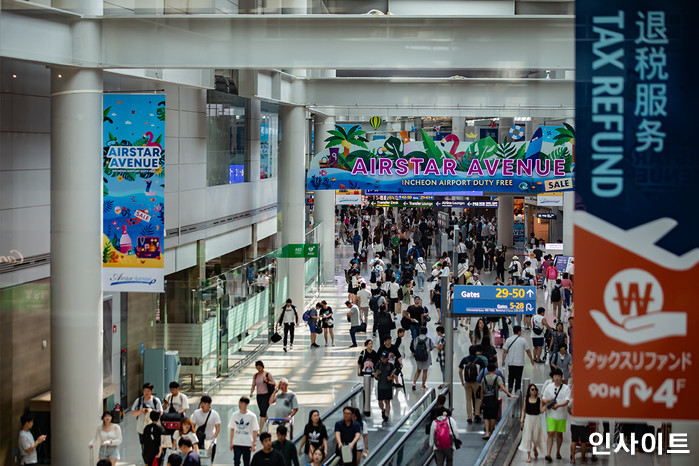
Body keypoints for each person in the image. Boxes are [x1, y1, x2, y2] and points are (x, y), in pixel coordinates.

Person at [542, 368, 571, 463]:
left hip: (561, 415)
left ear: (562, 378)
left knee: (559, 434)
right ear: (553, 378)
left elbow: (567, 401)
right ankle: (548, 454)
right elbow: (543, 398)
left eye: (558, 376)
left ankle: (558, 451)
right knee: (550, 433)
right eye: (555, 376)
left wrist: (558, 405)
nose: (557, 378)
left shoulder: (566, 388)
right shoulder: (548, 387)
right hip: (550, 414)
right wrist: (545, 401)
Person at [481, 363, 517, 439]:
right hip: (494, 400)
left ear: (487, 370)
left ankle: (487, 433)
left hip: (486, 400)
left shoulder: (484, 379)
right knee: (493, 416)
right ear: (495, 370)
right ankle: (491, 432)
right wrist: (510, 394)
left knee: (486, 417)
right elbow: (503, 388)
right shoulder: (497, 378)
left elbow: (482, 390)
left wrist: (482, 400)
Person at [131, 382, 163, 463]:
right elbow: (133, 413)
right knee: (144, 446)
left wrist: (151, 411)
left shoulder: (156, 401)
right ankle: (146, 460)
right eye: (144, 390)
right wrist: (141, 411)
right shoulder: (139, 401)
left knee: (155, 445)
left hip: (154, 429)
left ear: (152, 391)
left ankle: (154, 460)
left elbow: (160, 413)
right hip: (141, 428)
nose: (146, 392)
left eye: (148, 391)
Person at [458, 345, 487, 424]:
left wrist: (462, 381)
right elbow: (483, 371)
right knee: (477, 398)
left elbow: (460, 371)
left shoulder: (465, 360)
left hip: (467, 383)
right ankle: (477, 415)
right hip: (476, 383)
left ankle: (469, 417)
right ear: (475, 352)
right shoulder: (479, 360)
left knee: (468, 400)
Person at [502, 325, 535, 393]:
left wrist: (503, 360)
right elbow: (528, 351)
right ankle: (517, 391)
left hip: (511, 362)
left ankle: (510, 390)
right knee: (518, 378)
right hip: (520, 363)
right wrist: (531, 359)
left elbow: (505, 351)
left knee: (510, 377)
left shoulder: (508, 340)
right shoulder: (523, 340)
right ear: (519, 332)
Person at [519, 384, 546, 463]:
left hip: (536, 419)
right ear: (529, 391)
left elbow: (541, 411)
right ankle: (529, 456)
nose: (534, 391)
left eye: (535, 389)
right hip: (528, 419)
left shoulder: (539, 400)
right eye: (532, 389)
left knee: (536, 437)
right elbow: (524, 410)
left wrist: (546, 406)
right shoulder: (526, 399)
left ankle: (535, 448)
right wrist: (522, 421)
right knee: (528, 437)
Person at [229, 396, 259, 466]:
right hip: (237, 442)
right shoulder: (234, 415)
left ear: (246, 404)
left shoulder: (252, 416)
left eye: (243, 403)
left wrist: (254, 443)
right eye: (240, 403)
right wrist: (231, 442)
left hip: (247, 442)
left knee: (246, 462)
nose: (240, 405)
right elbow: (232, 429)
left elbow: (255, 430)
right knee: (236, 461)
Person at [190, 395, 221, 462]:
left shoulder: (215, 414)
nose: (203, 405)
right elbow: (192, 426)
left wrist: (213, 438)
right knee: (198, 459)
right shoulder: (196, 413)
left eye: (205, 403)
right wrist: (194, 437)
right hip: (198, 439)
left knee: (210, 459)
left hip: (210, 440)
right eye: (202, 403)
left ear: (209, 404)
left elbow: (217, 428)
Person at [374, 351, 398, 421]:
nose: (383, 359)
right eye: (382, 358)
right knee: (380, 401)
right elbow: (375, 375)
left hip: (388, 386)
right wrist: (376, 374)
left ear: (387, 358)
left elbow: (394, 375)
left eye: (384, 358)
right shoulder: (378, 364)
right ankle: (383, 409)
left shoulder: (390, 365)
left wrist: (391, 378)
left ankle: (386, 415)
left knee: (387, 401)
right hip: (380, 386)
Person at [251, 361, 275, 427]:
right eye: (257, 368)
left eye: (260, 368)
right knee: (263, 411)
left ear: (262, 367)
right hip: (259, 396)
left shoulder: (267, 374)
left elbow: (274, 383)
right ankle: (269, 425)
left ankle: (260, 430)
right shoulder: (256, 376)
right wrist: (251, 392)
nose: (259, 369)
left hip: (266, 395)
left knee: (262, 413)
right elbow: (253, 385)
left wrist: (267, 381)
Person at [411, 326, 434, 391]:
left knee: (418, 370)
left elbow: (414, 347)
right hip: (426, 357)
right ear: (426, 332)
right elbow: (431, 347)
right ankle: (422, 386)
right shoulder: (428, 339)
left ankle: (414, 383)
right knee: (425, 371)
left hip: (418, 357)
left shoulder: (416, 338)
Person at [568, 399, 589, 465]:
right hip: (584, 423)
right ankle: (583, 458)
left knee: (573, 441)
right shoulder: (588, 400)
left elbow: (568, 408)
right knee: (583, 442)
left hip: (574, 423)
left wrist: (571, 414)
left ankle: (573, 459)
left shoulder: (573, 400)